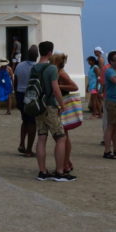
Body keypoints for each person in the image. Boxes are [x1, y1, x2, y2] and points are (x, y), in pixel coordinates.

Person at [32, 41, 73, 181]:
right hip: (49, 106)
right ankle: (60, 172)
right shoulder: (51, 69)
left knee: (42, 137)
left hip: (38, 106)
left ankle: (42, 172)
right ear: (50, 53)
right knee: (61, 138)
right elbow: (56, 89)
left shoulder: (34, 68)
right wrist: (62, 105)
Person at [53, 52, 79, 173]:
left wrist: (59, 86)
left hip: (62, 105)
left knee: (63, 136)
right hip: (60, 104)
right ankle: (66, 162)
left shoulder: (61, 73)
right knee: (63, 136)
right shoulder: (58, 72)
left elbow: (74, 87)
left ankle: (65, 163)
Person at [13, 45, 38, 152]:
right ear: (37, 55)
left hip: (20, 94)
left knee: (25, 120)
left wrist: (16, 94)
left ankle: (22, 144)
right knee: (32, 122)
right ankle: (28, 150)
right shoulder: (38, 67)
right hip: (32, 96)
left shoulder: (19, 66)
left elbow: (15, 81)